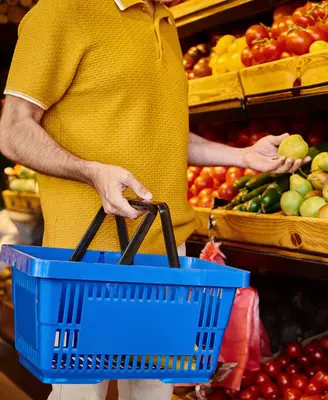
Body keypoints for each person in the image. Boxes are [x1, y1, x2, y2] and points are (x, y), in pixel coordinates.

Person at [0, 0, 308, 399]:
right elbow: (13, 130)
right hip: (85, 256)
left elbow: (163, 139)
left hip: (164, 250)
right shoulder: (60, 12)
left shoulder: (163, 20)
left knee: (151, 391)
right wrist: (93, 171)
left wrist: (242, 157)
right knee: (81, 393)